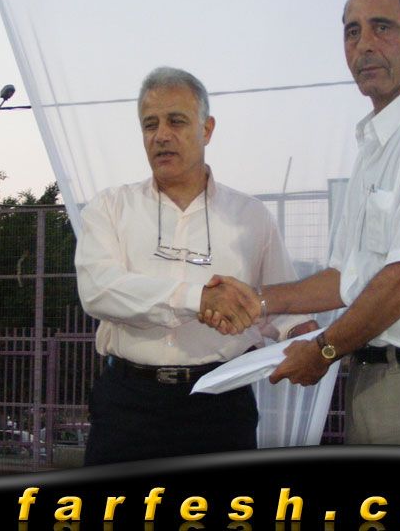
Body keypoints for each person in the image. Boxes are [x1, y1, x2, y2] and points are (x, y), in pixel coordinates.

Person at [203, 0, 400, 450]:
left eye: (382, 27)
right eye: (352, 32)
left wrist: (324, 349)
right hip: (379, 380)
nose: (364, 44)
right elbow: (346, 278)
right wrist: (258, 301)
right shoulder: (376, 146)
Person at [74, 66, 317, 465]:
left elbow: (280, 306)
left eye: (176, 121)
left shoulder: (251, 216)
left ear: (207, 129)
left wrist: (302, 333)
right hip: (129, 406)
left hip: (220, 407)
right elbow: (98, 290)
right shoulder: (111, 208)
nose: (161, 135)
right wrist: (199, 299)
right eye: (150, 124)